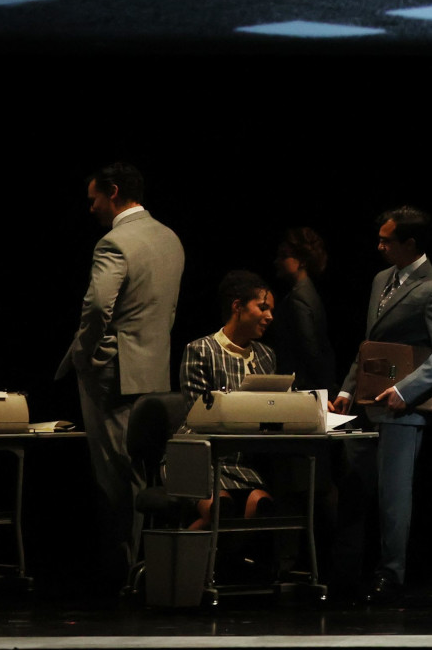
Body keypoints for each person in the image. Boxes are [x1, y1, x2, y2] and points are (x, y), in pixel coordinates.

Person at [55, 162, 185, 584]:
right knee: (145, 470)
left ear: (113, 192)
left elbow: (97, 309)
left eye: (93, 198)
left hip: (112, 371)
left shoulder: (114, 242)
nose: (90, 207)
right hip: (153, 371)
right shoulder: (170, 238)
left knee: (115, 475)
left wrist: (87, 353)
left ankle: (124, 572)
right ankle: (150, 565)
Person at [329, 206, 432, 602]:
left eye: (388, 240)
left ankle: (392, 575)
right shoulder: (380, 280)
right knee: (354, 490)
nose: (380, 246)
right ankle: (347, 574)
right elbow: (370, 343)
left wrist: (406, 390)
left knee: (393, 496)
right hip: (366, 404)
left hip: (403, 410)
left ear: (411, 243)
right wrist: (348, 388)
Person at [178, 271, 278, 530]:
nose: (270, 317)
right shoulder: (200, 350)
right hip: (200, 455)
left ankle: (224, 567)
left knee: (263, 509)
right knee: (223, 510)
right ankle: (186, 567)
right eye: (263, 307)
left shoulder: (266, 356)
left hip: (240, 460)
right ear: (237, 307)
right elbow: (197, 413)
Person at [271, 227, 336, 393]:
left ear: (302, 261)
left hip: (303, 385)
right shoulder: (308, 291)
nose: (277, 261)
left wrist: (322, 388)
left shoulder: (298, 297)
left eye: (284, 256)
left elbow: (310, 347)